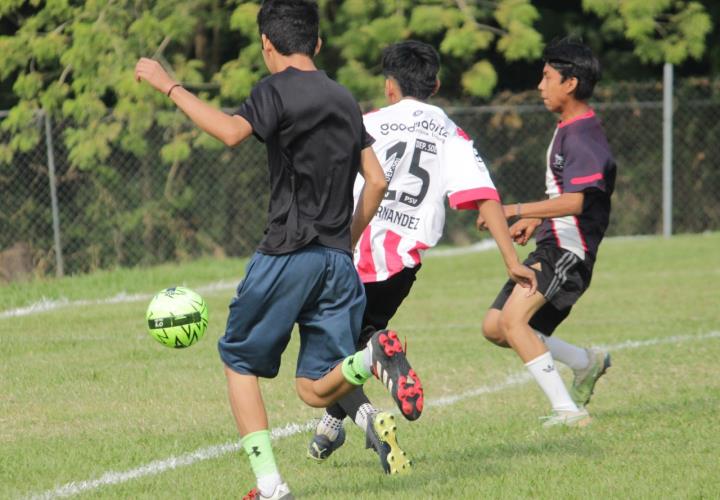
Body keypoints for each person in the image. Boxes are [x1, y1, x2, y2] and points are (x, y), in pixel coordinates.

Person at [135, 2, 425, 499]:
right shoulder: (343, 98)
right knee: (314, 387)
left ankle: (270, 486)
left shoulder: (275, 89)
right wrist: (346, 240)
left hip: (287, 252)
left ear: (267, 45)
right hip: (337, 263)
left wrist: (169, 86)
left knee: (239, 362)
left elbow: (230, 132)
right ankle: (370, 356)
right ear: (317, 43)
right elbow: (376, 180)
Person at [306, 40, 537, 474]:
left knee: (324, 360)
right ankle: (330, 426)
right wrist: (511, 261)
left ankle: (362, 416)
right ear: (436, 83)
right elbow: (483, 195)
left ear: (389, 87)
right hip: (401, 266)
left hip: (350, 251)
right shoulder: (449, 131)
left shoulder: (367, 121)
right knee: (355, 343)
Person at [479, 37, 615, 427]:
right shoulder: (567, 128)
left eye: (547, 77)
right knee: (495, 326)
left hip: (569, 250)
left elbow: (575, 203)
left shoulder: (584, 135)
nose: (540, 86)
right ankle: (584, 362)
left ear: (570, 83)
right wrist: (536, 219)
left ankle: (569, 412)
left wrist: (512, 210)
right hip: (553, 241)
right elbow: (563, 193)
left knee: (514, 322)